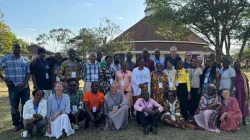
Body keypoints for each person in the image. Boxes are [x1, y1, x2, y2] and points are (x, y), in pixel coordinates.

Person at [0, 43, 30, 132]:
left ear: (21, 49)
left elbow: (28, 73)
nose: (17, 49)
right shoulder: (6, 58)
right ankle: (16, 124)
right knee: (14, 107)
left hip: (25, 87)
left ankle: (24, 122)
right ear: (12, 48)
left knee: (25, 106)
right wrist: (4, 78)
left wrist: (23, 83)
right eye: (16, 47)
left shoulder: (25, 60)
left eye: (19, 48)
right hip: (13, 87)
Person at [234, 61, 249, 125]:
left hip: (242, 93)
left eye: (238, 65)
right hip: (235, 93)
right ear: (234, 66)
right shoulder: (232, 73)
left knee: (243, 105)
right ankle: (236, 120)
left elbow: (247, 84)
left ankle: (243, 120)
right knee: (235, 106)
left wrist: (248, 92)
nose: (237, 66)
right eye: (236, 65)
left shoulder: (243, 74)